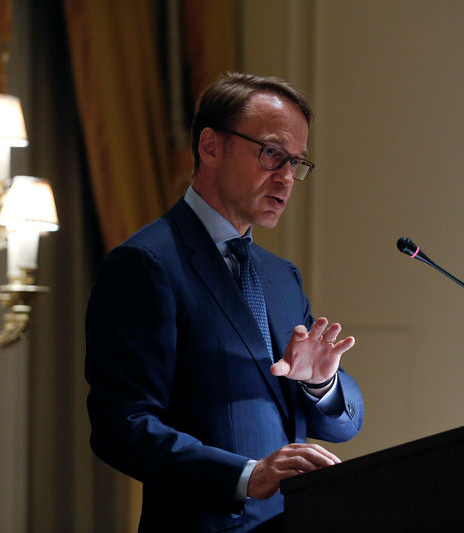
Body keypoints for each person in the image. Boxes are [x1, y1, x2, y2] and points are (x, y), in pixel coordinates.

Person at [85, 72, 363, 532]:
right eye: (273, 154)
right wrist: (245, 476)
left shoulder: (281, 276)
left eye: (296, 162)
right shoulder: (145, 264)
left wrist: (321, 384)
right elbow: (121, 426)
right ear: (211, 146)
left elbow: (342, 426)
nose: (287, 177)